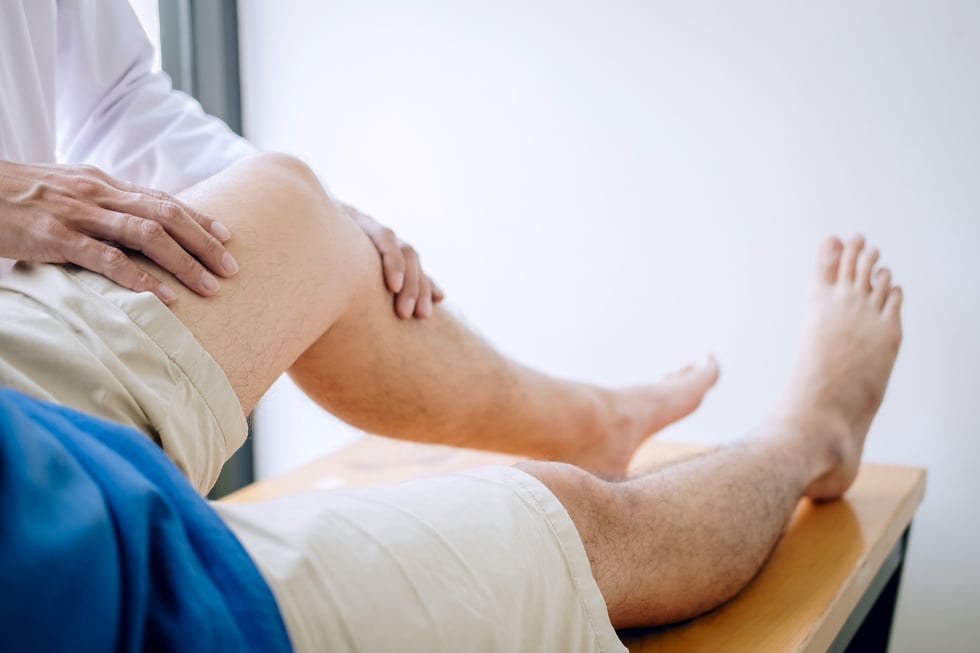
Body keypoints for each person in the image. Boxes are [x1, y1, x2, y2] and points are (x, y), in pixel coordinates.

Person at [0, 1, 904, 651]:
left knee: (300, 206)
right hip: (57, 581)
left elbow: (115, 92)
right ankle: (809, 433)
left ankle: (596, 424)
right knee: (578, 522)